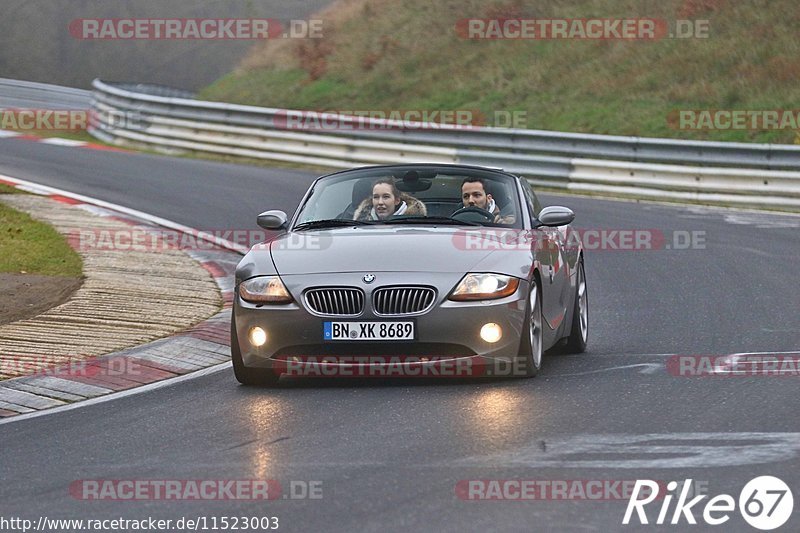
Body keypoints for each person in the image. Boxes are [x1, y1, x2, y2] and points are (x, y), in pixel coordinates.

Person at [353, 178, 427, 221]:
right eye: (376, 197)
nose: (380, 202)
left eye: (386, 197)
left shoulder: (416, 225)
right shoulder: (359, 224)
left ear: (397, 200)